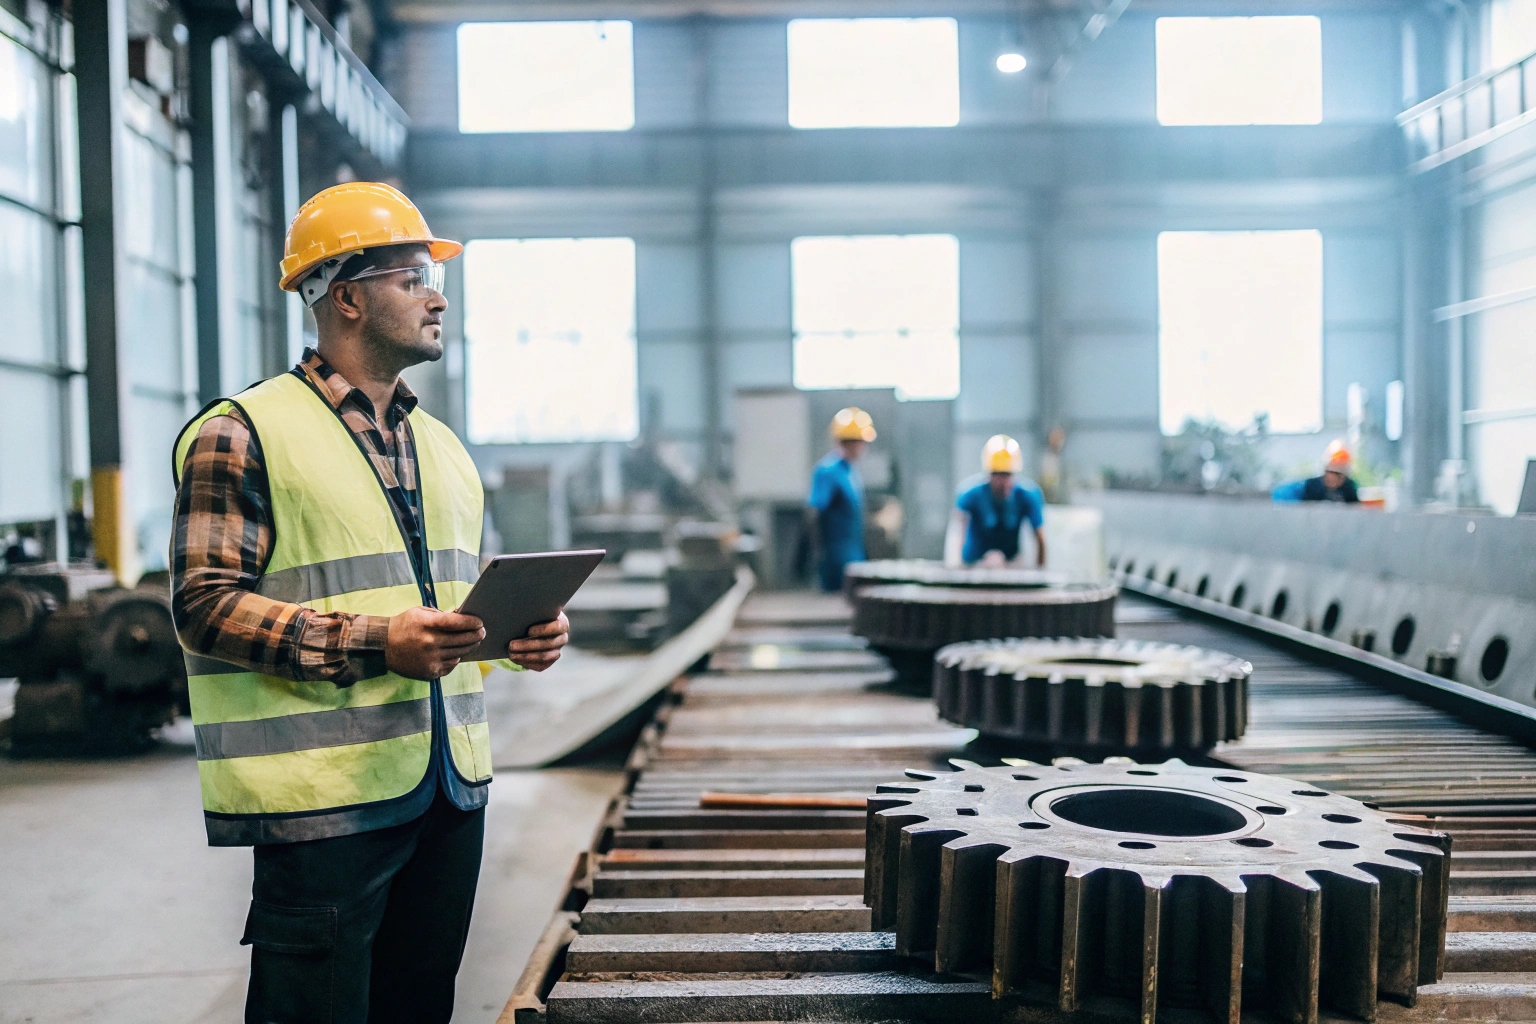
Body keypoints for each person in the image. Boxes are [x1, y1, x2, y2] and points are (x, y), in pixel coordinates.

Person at [169, 182, 570, 1024]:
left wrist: (514, 634)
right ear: (344, 297)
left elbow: (433, 604)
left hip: (447, 792)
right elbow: (204, 605)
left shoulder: (442, 447)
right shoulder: (241, 431)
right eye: (411, 276)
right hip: (323, 804)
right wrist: (373, 642)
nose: (438, 294)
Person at [945, 434, 1047, 567]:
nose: (1003, 481)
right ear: (989, 474)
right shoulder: (969, 494)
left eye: (1007, 475)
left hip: (1011, 564)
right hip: (973, 564)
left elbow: (1039, 537)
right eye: (997, 475)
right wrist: (955, 567)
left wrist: (1040, 573)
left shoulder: (1028, 496)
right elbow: (956, 533)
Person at [807, 407, 874, 591]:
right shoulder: (828, 471)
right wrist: (816, 554)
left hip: (853, 554)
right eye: (861, 442)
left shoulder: (850, 471)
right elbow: (815, 514)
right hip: (836, 559)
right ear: (851, 443)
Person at [1272, 440, 1361, 504]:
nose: (1334, 478)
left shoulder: (1349, 489)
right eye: (1332, 472)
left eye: (1340, 474)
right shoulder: (1312, 486)